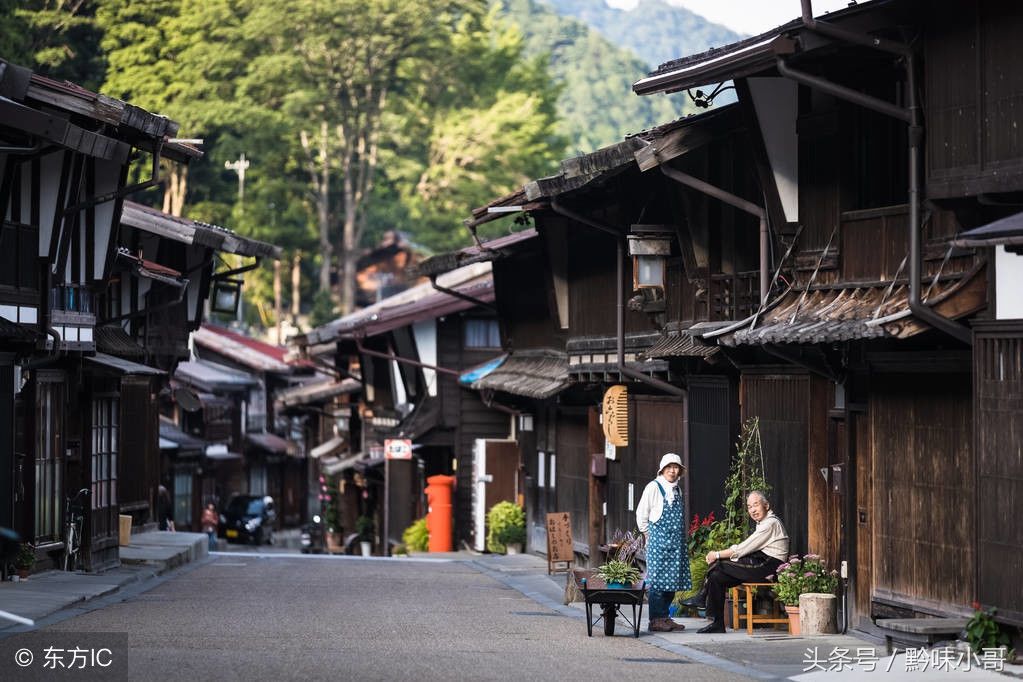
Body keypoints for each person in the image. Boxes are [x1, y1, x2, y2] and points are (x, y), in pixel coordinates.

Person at [682, 490, 789, 633]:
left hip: (770, 567)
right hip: (761, 562)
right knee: (717, 576)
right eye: (749, 507)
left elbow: (742, 549)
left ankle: (702, 597)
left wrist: (717, 554)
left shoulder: (770, 523)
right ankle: (717, 623)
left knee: (719, 564)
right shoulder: (764, 523)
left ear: (766, 505)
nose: (752, 510)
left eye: (755, 505)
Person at [636, 452, 691, 633]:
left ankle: (665, 617)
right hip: (658, 543)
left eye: (676, 467)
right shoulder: (653, 487)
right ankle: (655, 619)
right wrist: (647, 535)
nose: (672, 471)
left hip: (676, 544)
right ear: (662, 469)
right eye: (669, 467)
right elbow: (641, 514)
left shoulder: (677, 489)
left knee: (672, 581)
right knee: (658, 582)